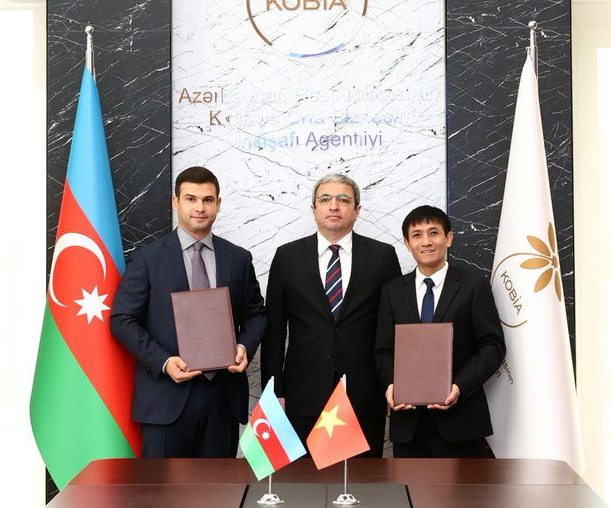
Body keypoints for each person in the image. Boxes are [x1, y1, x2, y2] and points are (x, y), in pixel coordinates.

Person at [109, 166, 267, 457]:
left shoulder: (239, 259)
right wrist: (164, 361)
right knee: (162, 487)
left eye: (207, 200)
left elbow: (256, 315)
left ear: (218, 203)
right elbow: (122, 320)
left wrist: (244, 346)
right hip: (165, 399)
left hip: (222, 400)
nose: (200, 207)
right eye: (191, 199)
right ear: (175, 202)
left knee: (218, 486)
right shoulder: (147, 259)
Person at [261, 173, 401, 454]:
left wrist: (396, 384)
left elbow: (395, 327)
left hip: (364, 395)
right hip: (302, 395)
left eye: (343, 200)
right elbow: (273, 331)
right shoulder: (287, 257)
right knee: (303, 479)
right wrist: (274, 391)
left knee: (362, 479)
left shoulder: (382, 256)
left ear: (357, 210)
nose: (334, 206)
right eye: (325, 199)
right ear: (313, 209)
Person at [376, 205, 505, 457]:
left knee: (463, 486)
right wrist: (391, 384)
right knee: (409, 485)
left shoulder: (473, 285)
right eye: (417, 235)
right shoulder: (392, 291)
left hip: (461, 422)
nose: (426, 241)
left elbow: (492, 346)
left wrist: (459, 386)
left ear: (449, 238)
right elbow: (383, 350)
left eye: (433, 233)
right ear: (407, 243)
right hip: (408, 425)